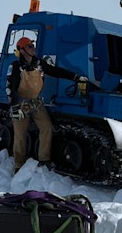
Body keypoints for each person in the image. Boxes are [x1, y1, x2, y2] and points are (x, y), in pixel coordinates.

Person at [6, 37, 86, 172]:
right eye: (30, 46)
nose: (33, 48)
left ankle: (44, 160)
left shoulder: (38, 64)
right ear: (22, 50)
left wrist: (75, 77)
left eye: (33, 46)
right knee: (20, 134)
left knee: (46, 127)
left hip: (36, 103)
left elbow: (55, 71)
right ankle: (19, 164)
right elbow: (10, 88)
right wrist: (14, 106)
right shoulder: (15, 67)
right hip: (21, 104)